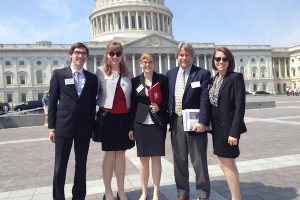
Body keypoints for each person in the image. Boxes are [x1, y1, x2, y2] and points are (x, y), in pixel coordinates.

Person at [48, 42, 98, 200]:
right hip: (63, 126)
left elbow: (91, 105)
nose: (80, 56)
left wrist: (92, 127)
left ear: (87, 57)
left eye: (83, 53)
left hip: (83, 128)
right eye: (77, 52)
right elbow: (52, 102)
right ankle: (58, 197)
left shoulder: (92, 78)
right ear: (71, 54)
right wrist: (51, 127)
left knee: (81, 165)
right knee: (60, 165)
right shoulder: (59, 74)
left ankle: (79, 196)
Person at [166, 42, 211, 200]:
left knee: (199, 159)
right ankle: (182, 192)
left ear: (192, 56)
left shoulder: (202, 73)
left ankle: (203, 193)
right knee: (179, 159)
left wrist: (203, 122)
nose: (184, 57)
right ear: (177, 56)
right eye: (181, 55)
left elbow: (205, 99)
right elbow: (167, 98)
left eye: (187, 55)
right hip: (176, 121)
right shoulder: (170, 74)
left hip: (195, 122)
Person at [95, 41, 134, 200]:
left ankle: (122, 191)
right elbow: (93, 95)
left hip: (124, 118)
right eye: (112, 53)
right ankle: (108, 191)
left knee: (121, 155)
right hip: (108, 118)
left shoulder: (127, 73)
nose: (115, 56)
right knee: (110, 155)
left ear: (122, 55)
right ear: (107, 54)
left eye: (118, 53)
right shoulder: (100, 72)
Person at [209, 47, 247, 200]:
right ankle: (236, 196)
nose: (221, 62)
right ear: (214, 61)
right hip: (217, 129)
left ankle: (236, 198)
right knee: (224, 164)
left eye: (224, 59)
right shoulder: (214, 79)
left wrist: (234, 132)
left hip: (228, 129)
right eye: (218, 59)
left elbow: (240, 107)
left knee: (228, 164)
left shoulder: (235, 77)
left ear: (229, 61)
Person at [129, 53, 169, 200]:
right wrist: (130, 127)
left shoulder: (162, 79)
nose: (147, 65)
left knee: (156, 159)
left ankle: (157, 192)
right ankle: (144, 192)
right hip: (140, 124)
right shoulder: (135, 81)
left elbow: (167, 101)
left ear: (154, 63)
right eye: (145, 62)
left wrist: (160, 107)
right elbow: (132, 106)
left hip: (157, 123)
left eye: (150, 62)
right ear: (140, 64)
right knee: (143, 161)